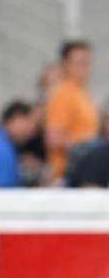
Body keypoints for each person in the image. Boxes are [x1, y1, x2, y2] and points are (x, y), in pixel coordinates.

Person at [45, 41, 97, 182]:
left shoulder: (82, 93)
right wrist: (88, 150)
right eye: (79, 63)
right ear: (65, 64)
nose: (85, 68)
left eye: (87, 63)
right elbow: (53, 138)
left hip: (85, 173)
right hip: (68, 175)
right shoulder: (63, 94)